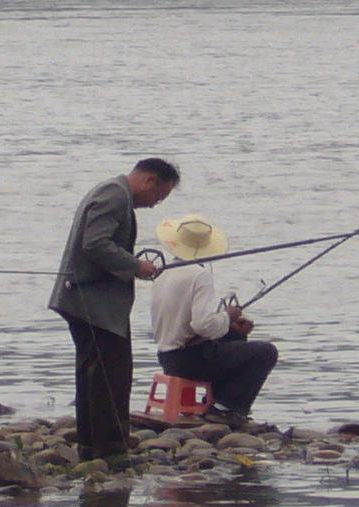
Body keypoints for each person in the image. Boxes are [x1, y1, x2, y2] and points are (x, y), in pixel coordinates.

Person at [48, 157, 178, 463]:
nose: (155, 204)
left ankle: (91, 446)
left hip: (85, 301)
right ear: (150, 181)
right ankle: (111, 449)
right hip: (93, 303)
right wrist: (136, 266)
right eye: (159, 196)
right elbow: (95, 244)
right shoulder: (114, 195)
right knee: (112, 377)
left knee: (94, 375)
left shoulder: (111, 192)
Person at [150, 214, 279, 426]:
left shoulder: (164, 273)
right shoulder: (199, 276)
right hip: (190, 359)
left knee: (235, 336)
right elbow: (203, 325)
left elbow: (191, 323)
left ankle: (216, 403)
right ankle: (225, 408)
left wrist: (230, 326)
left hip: (168, 357)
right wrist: (229, 315)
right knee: (266, 352)